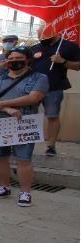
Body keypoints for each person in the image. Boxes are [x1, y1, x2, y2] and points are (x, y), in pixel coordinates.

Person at [0, 45, 48, 206]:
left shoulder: (39, 78)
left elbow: (34, 98)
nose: (14, 61)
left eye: (18, 58)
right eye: (11, 59)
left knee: (23, 159)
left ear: (28, 60)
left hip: (24, 124)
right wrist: (7, 108)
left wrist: (1, 103)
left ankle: (25, 192)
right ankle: (4, 186)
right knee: (0, 158)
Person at [30, 27, 80, 157]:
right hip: (32, 88)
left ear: (54, 34)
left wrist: (62, 61)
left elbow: (78, 66)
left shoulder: (68, 46)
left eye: (44, 37)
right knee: (27, 116)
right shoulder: (35, 48)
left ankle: (51, 146)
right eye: (39, 37)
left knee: (52, 116)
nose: (41, 40)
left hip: (54, 87)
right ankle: (25, 144)